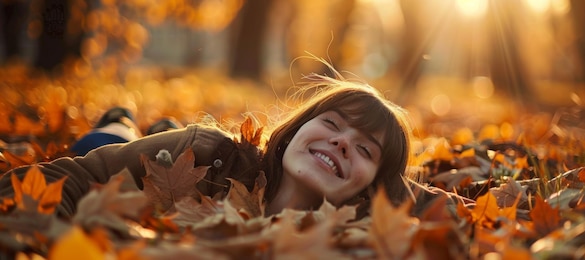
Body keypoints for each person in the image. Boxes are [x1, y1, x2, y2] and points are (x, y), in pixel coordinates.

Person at [0, 72, 413, 218]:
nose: (342, 142)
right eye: (332, 124)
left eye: (365, 150)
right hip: (157, 151)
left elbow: (438, 209)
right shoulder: (209, 154)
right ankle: (123, 122)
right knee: (108, 138)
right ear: (294, 130)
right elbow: (69, 176)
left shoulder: (357, 233)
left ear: (373, 184)